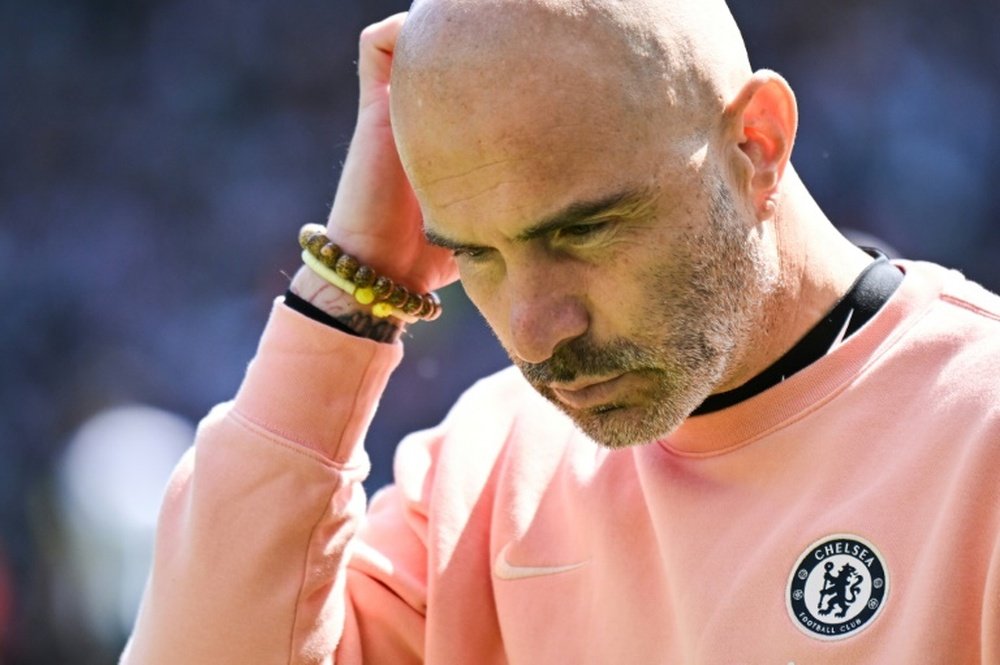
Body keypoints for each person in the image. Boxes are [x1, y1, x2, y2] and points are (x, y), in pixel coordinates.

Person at [122, 0, 1000, 662]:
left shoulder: (980, 436)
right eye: (478, 253)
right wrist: (350, 283)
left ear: (757, 143)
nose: (535, 333)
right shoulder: (486, 469)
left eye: (582, 231)